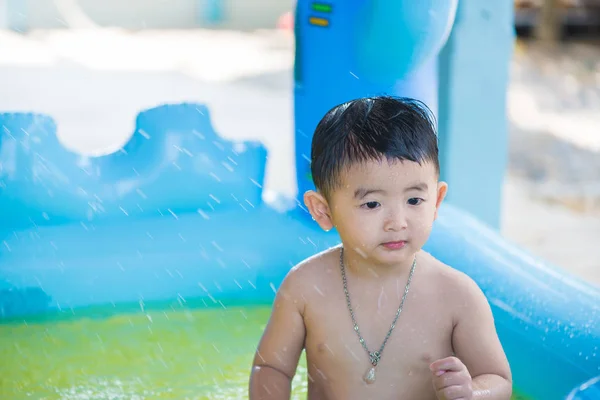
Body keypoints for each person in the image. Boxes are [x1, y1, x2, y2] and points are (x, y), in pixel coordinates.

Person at [249, 96, 512, 399]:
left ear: (436, 201)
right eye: (372, 204)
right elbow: (270, 369)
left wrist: (472, 392)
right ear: (323, 210)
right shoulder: (305, 288)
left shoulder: (457, 296)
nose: (397, 222)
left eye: (414, 200)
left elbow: (498, 379)